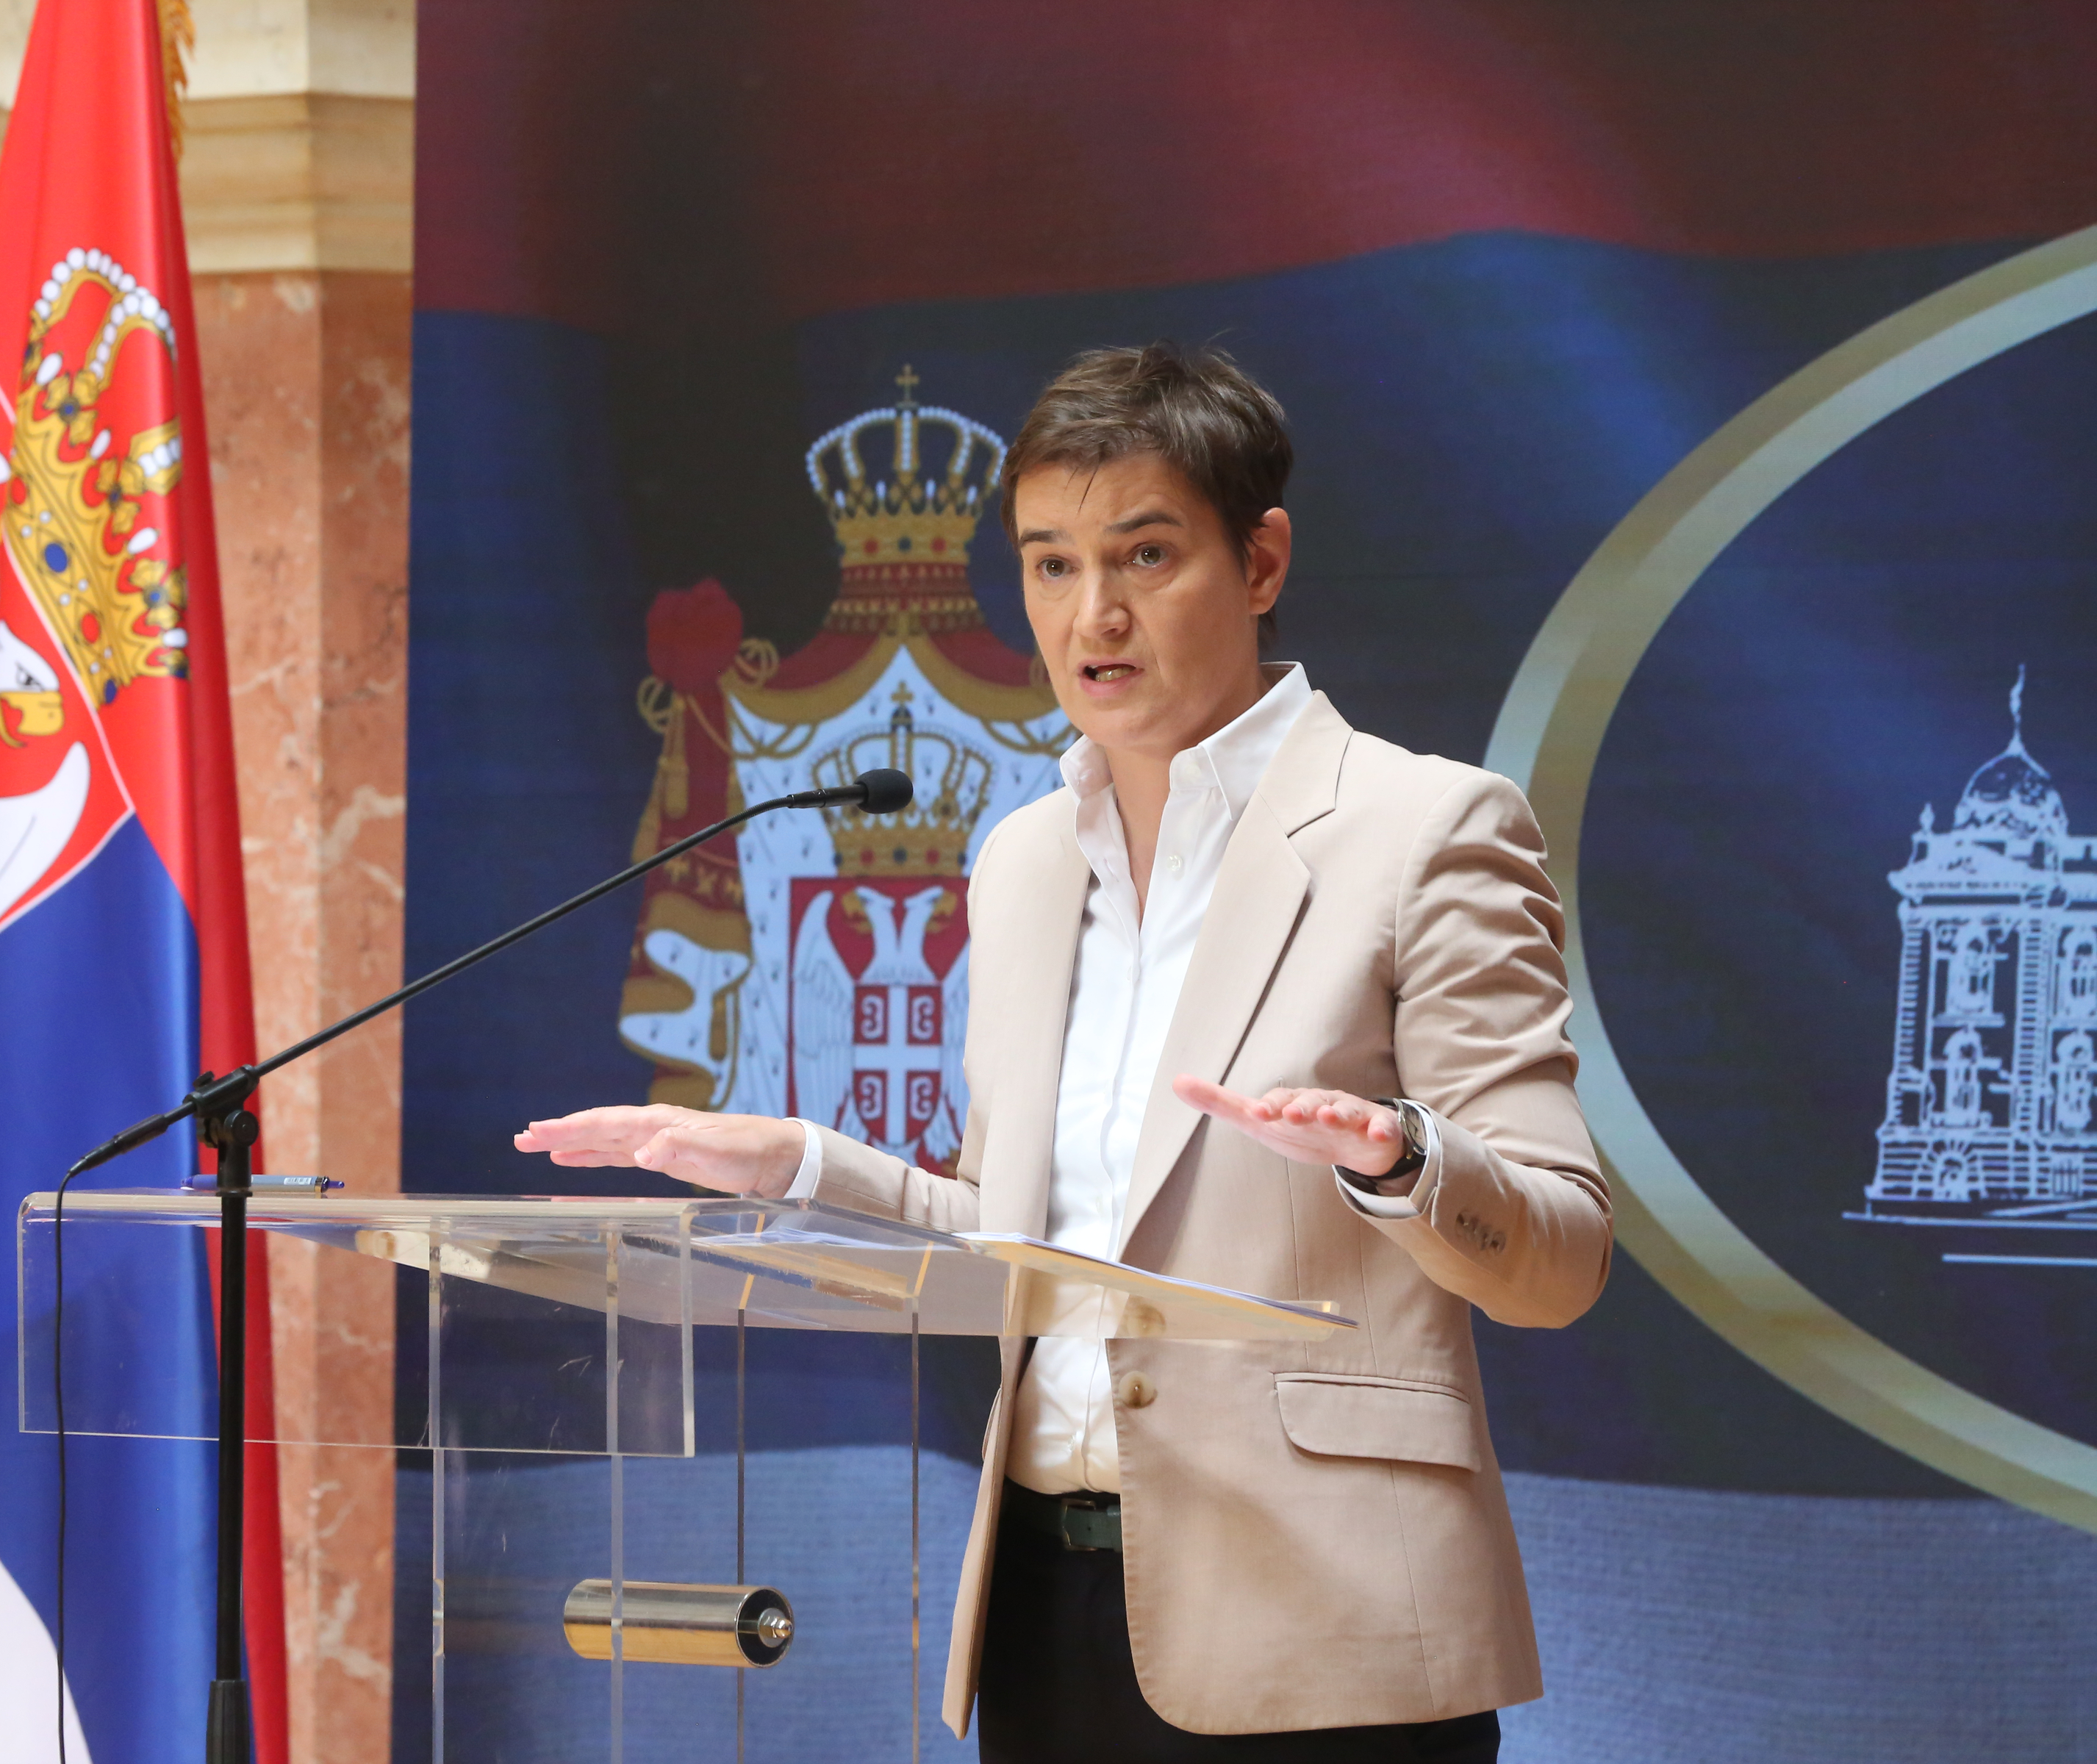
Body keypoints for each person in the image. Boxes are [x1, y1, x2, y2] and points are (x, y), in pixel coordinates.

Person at [516, 343, 1610, 1763]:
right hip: (1044, 1610)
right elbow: (1018, 1239)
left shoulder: (1427, 829)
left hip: (1329, 1627)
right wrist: (796, 1163)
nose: (1094, 615)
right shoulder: (1026, 861)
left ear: (1260, 561)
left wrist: (1401, 1160)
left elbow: (1560, 1258)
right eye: (1049, 564)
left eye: (1146, 554)